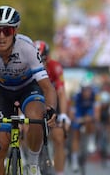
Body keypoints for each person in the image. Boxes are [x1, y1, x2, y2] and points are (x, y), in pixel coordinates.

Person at [0, 5, 57, 175]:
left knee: (35, 117)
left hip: (28, 88)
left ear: (15, 31)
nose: (1, 36)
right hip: (1, 90)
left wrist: (51, 109)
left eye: (7, 31)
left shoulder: (27, 48)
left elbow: (47, 86)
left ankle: (32, 163)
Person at [35, 40, 71, 175]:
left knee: (59, 137)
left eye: (43, 60)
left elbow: (61, 92)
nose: (41, 64)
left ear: (47, 58)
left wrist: (64, 115)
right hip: (36, 100)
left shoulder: (55, 67)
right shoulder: (27, 66)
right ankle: (30, 160)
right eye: (37, 60)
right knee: (27, 129)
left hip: (53, 101)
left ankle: (59, 172)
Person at [69, 78, 99, 172]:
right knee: (76, 136)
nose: (87, 92)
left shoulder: (95, 96)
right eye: (85, 89)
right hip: (78, 112)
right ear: (81, 90)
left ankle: (91, 141)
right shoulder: (75, 97)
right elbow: (71, 113)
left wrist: (92, 118)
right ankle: (74, 162)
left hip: (88, 112)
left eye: (89, 89)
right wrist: (75, 120)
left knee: (91, 119)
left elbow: (97, 112)